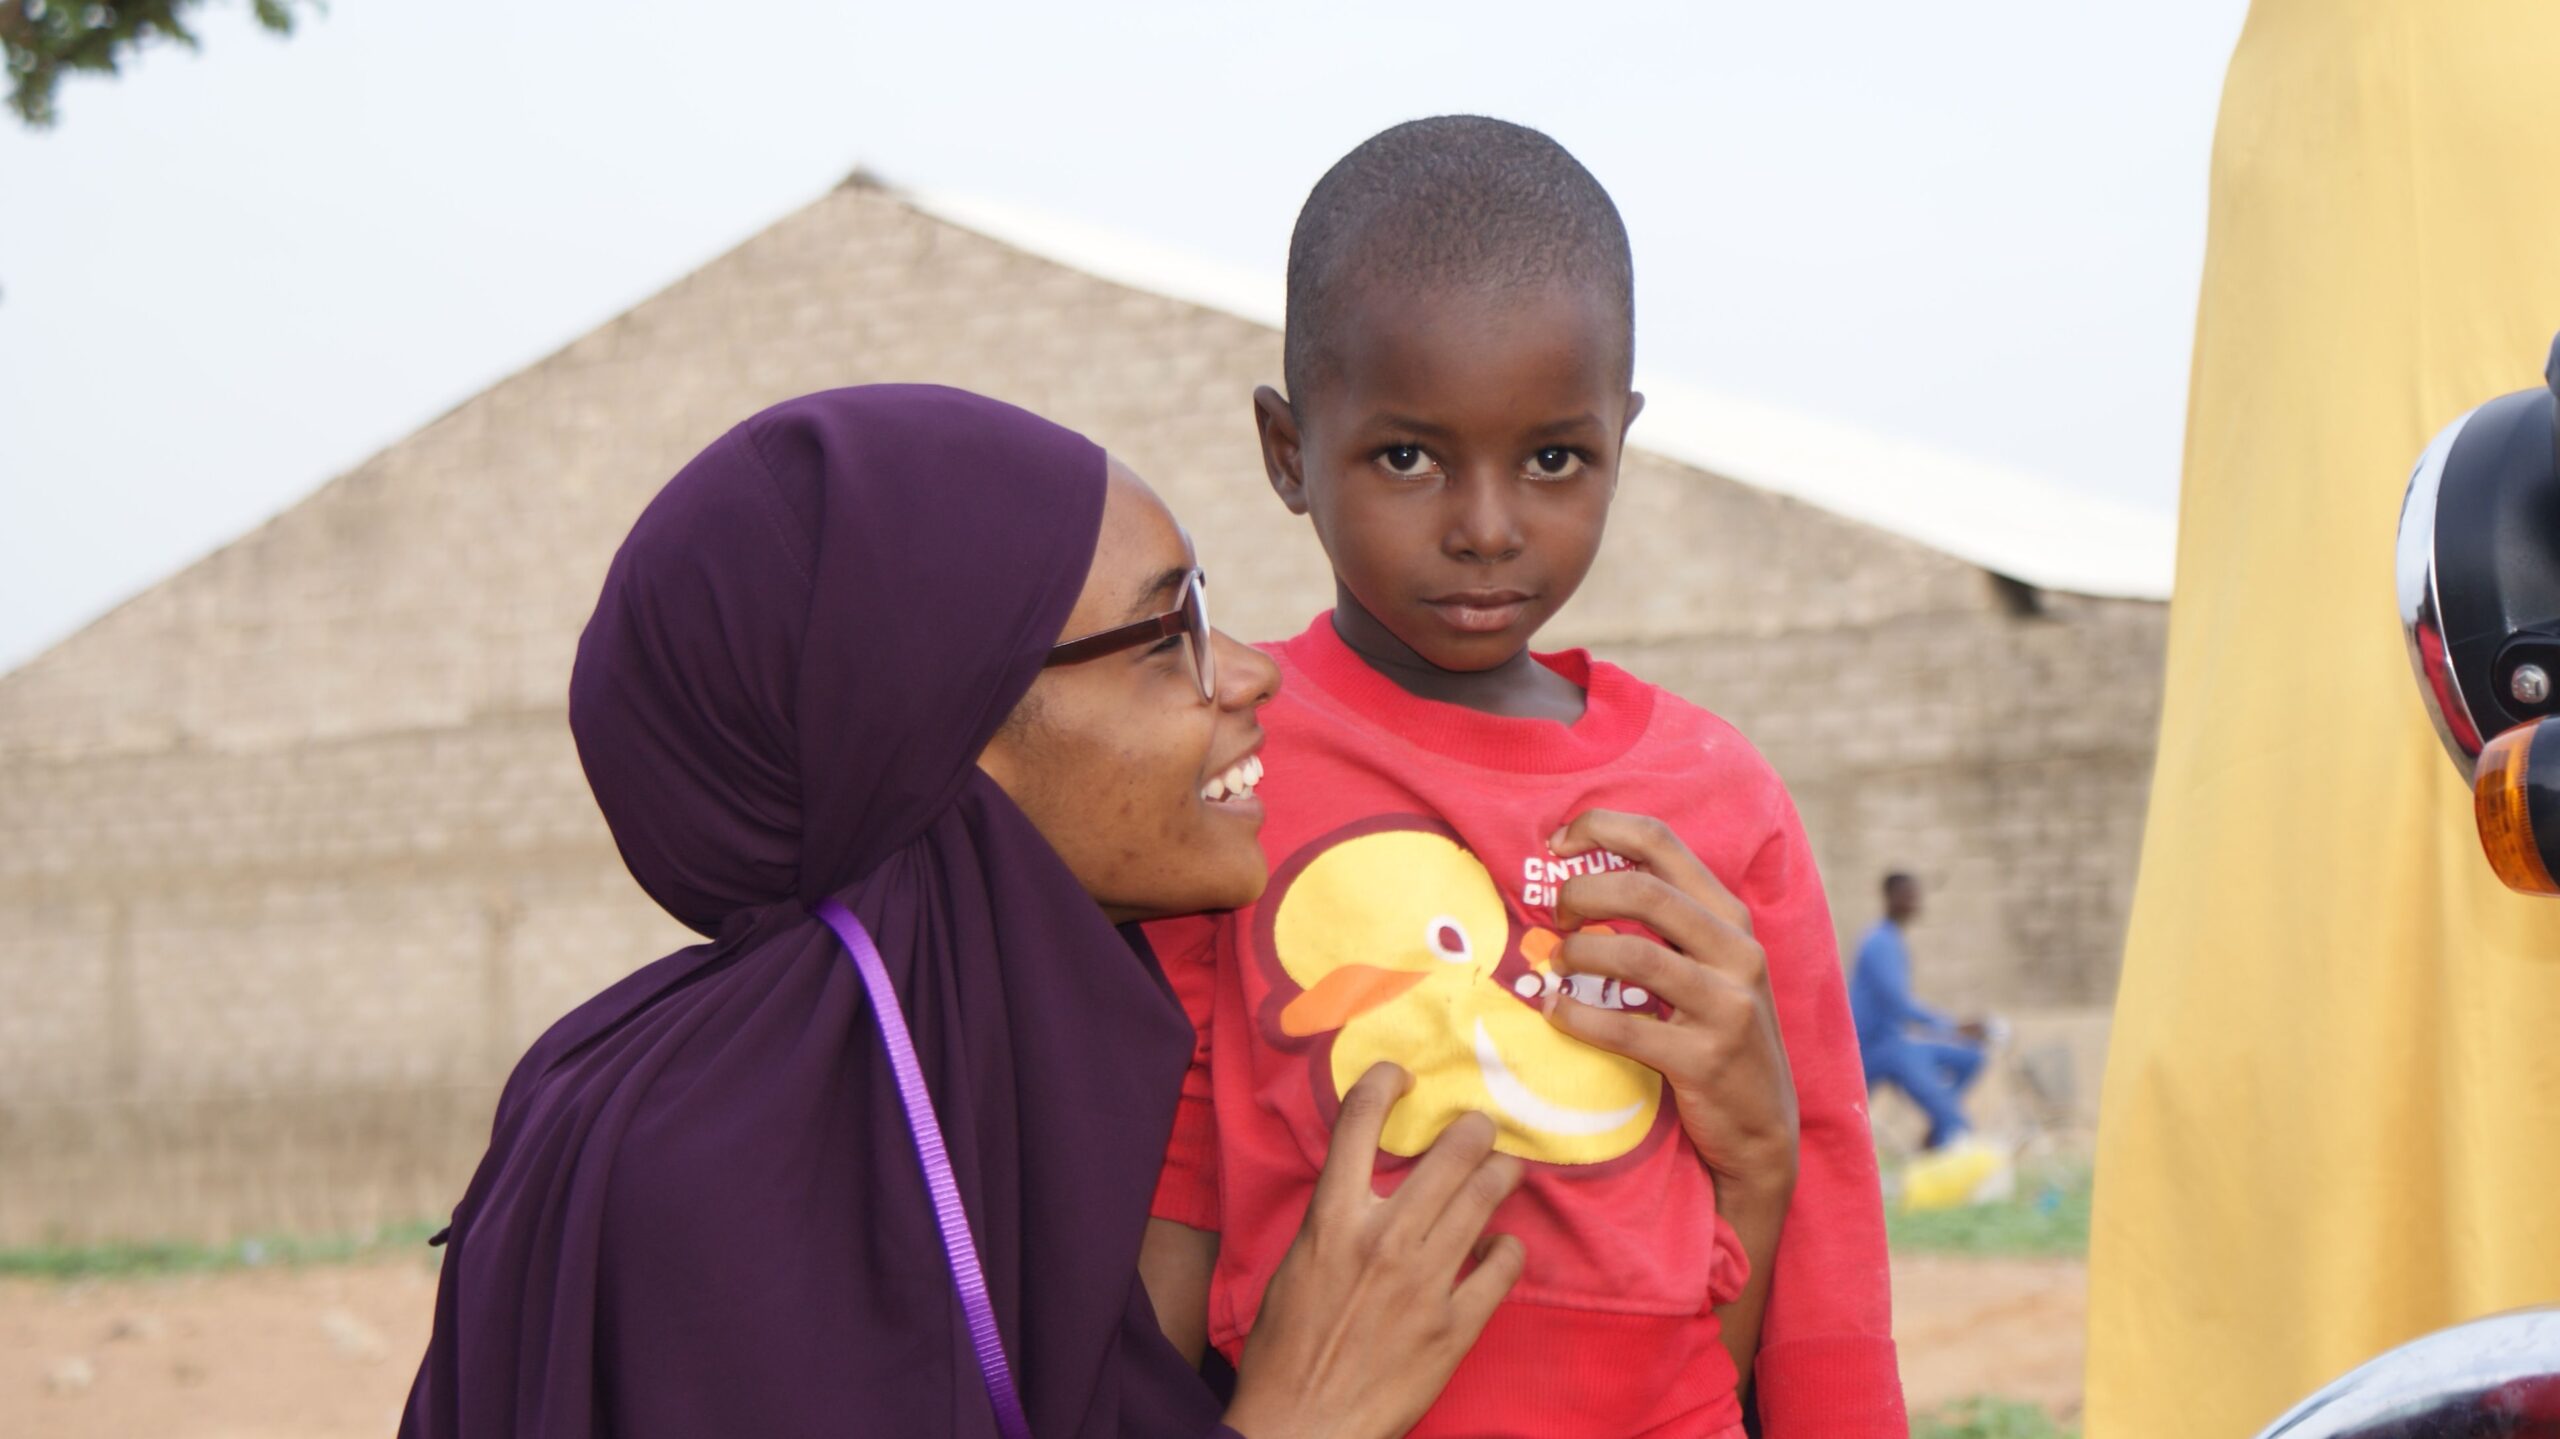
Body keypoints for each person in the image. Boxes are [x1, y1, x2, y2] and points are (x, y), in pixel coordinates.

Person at [399, 384, 1532, 1439]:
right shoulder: (720, 1195)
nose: (1247, 672)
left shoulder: (1041, 1061)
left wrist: (1722, 1143)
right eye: (1160, 636)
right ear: (935, 726)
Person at [1137, 118, 1905, 1439]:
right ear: (1287, 451)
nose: (1487, 526)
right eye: (1408, 456)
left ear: (1622, 436)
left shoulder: (1718, 790)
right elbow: (1176, 1173)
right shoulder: (1231, 753)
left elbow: (1818, 1166)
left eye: (1553, 457)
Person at [1849, 873, 1987, 1152]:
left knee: (1971, 1057)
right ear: (1890, 898)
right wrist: (1952, 1027)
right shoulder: (1879, 942)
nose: (1915, 902)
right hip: (1878, 1048)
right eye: (1908, 895)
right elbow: (1897, 1004)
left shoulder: (1893, 940)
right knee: (1954, 1121)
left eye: (1916, 895)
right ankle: (1944, 1129)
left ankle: (1936, 1130)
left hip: (1897, 1041)